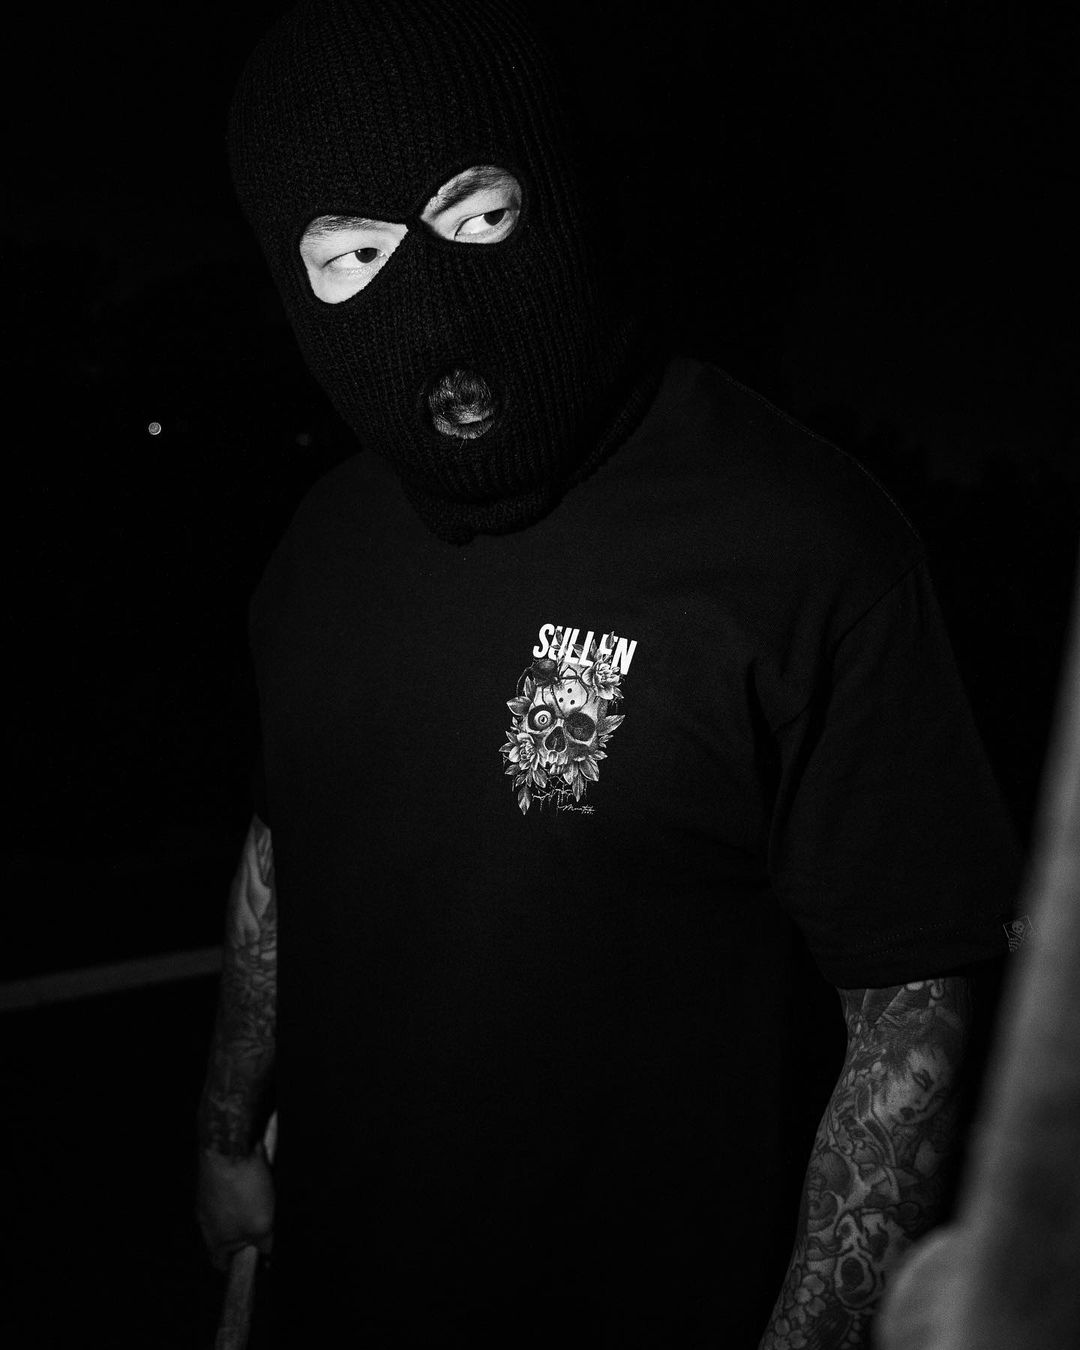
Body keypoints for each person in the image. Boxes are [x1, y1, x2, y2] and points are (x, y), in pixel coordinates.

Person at [195, 2, 1022, 1345]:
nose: (428, 302)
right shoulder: (321, 542)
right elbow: (286, 850)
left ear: (559, 193)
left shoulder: (806, 542)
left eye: (476, 217)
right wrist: (228, 1134)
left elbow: (913, 1003)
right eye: (350, 257)